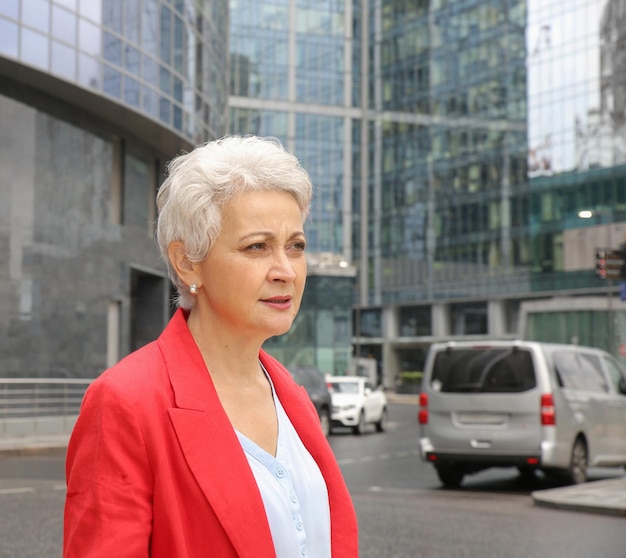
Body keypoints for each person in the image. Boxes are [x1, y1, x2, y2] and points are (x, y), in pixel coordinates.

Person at [63, 135, 359, 558]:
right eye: (257, 246)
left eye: (296, 246)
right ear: (187, 262)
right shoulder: (125, 403)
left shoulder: (292, 396)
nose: (285, 271)